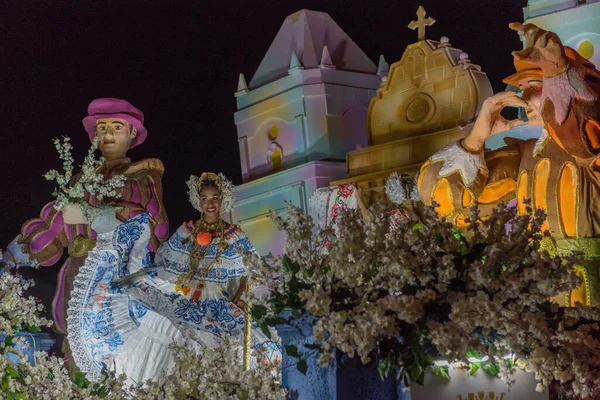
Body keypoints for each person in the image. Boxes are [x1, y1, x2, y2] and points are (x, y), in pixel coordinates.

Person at [417, 23, 600, 306]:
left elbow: (580, 132)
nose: (524, 99)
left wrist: (558, 71)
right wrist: (476, 140)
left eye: (536, 87)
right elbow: (444, 201)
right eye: (522, 88)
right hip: (539, 299)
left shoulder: (587, 147)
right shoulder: (525, 155)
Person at [3, 98, 179, 382]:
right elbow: (53, 226)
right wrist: (12, 255)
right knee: (76, 358)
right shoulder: (79, 182)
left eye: (117, 126)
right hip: (78, 279)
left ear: (132, 133)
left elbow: (150, 225)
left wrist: (93, 214)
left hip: (119, 282)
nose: (108, 134)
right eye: (102, 127)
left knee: (118, 365)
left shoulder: (141, 178)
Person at [116, 172, 281, 366]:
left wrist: (241, 292)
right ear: (198, 201)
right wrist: (149, 231)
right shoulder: (187, 230)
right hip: (184, 296)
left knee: (218, 350)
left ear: (222, 199)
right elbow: (163, 256)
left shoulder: (235, 236)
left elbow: (250, 269)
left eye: (215, 198)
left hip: (217, 300)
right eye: (205, 198)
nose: (210, 203)